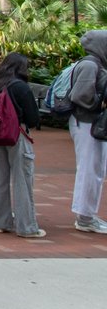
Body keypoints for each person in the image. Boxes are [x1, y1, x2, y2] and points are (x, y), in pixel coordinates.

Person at [0, 52, 44, 238]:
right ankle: (27, 227)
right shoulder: (20, 86)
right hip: (16, 134)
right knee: (22, 180)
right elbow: (33, 118)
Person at [68, 30, 107, 234]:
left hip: (89, 122)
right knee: (89, 169)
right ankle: (84, 218)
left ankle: (87, 215)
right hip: (86, 122)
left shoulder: (95, 64)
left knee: (95, 169)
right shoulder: (91, 65)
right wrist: (99, 104)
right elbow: (80, 95)